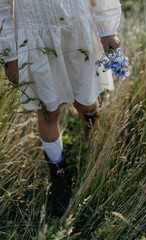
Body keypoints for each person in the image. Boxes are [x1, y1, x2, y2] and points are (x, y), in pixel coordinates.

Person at [0, 0, 121, 217]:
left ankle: (93, 120)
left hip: (76, 30)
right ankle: (58, 171)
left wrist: (107, 28)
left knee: (84, 102)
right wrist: (10, 54)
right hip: (35, 37)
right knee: (48, 109)